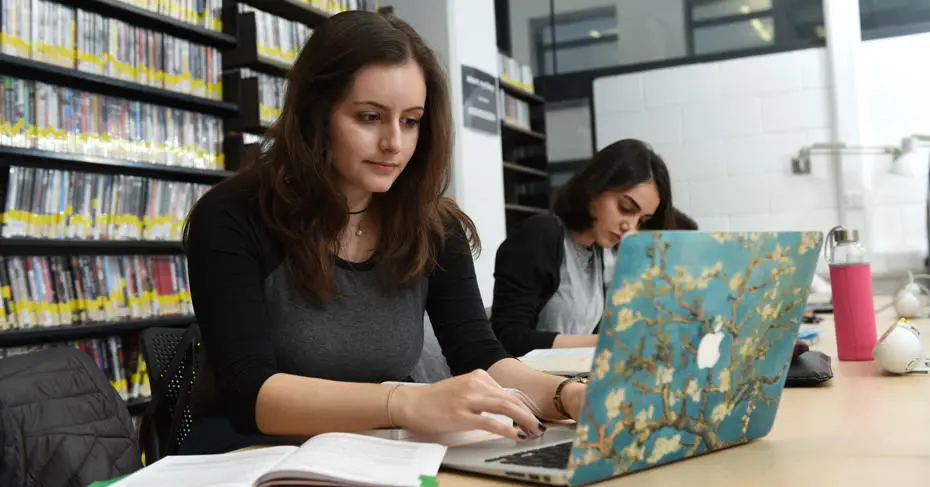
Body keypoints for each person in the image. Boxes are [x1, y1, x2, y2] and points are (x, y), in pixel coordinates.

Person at [179, 10, 587, 455]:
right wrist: (407, 402)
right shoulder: (231, 217)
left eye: (410, 121)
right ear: (316, 115)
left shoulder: (434, 226)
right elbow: (250, 394)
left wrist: (570, 395)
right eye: (370, 117)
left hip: (377, 451)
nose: (394, 142)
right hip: (251, 454)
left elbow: (479, 354)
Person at [490, 139, 676, 358]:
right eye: (625, 208)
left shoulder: (601, 252)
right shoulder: (542, 235)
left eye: (642, 219)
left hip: (571, 379)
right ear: (594, 189)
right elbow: (508, 337)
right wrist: (605, 342)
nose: (631, 226)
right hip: (529, 382)